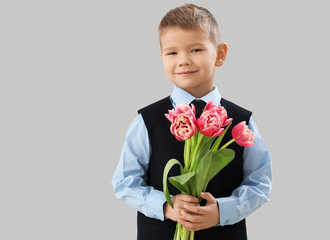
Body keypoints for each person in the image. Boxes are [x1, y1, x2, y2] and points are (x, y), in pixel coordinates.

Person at [111, 4, 272, 240]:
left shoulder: (240, 121)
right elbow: (124, 182)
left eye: (196, 49)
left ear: (220, 53)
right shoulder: (148, 120)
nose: (183, 60)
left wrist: (221, 212)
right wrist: (166, 206)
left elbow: (260, 183)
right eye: (172, 53)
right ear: (162, 57)